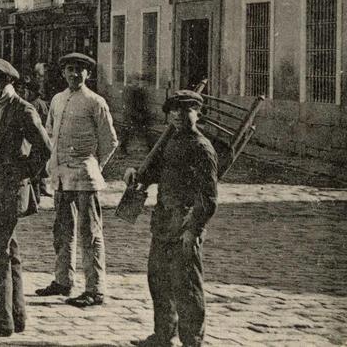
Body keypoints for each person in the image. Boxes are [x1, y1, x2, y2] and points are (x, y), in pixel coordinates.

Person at [125, 90, 218, 347]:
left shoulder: (202, 148)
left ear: (197, 114)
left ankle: (192, 342)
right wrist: (136, 174)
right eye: (174, 110)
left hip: (185, 224)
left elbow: (209, 198)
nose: (178, 115)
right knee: (158, 279)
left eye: (185, 110)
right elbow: (157, 171)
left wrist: (193, 230)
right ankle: (163, 335)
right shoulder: (171, 140)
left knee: (186, 286)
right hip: (164, 220)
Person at [0, 58, 52, 339]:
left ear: (10, 83)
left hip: (8, 191)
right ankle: (17, 315)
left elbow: (45, 149)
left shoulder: (22, 110)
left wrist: (22, 174)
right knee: (9, 251)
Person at [35, 52, 119, 308]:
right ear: (63, 73)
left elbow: (110, 141)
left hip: (84, 176)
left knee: (90, 232)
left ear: (88, 74)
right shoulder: (58, 99)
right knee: (61, 230)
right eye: (70, 69)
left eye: (80, 70)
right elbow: (50, 133)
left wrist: (93, 166)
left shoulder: (95, 102)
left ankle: (95, 289)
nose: (74, 74)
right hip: (61, 176)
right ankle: (63, 280)